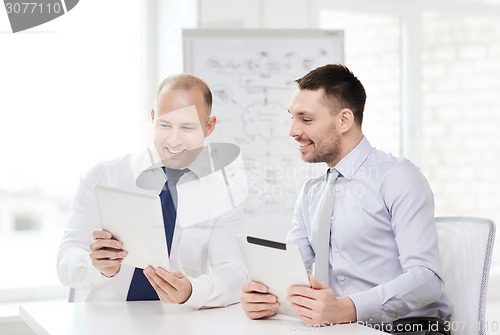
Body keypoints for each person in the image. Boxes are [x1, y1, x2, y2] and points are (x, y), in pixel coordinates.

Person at [240, 64, 453, 333]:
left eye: (306, 119)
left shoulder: (398, 177)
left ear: (344, 120)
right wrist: (264, 295)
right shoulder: (312, 191)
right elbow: (290, 269)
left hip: (409, 327)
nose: (292, 131)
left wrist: (348, 308)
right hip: (343, 327)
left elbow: (428, 279)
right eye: (292, 118)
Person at [58, 73, 248, 308]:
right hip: (101, 323)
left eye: (187, 127)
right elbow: (65, 260)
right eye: (164, 125)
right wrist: (94, 266)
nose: (174, 140)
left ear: (209, 126)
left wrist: (193, 291)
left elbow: (234, 272)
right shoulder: (103, 176)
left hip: (175, 324)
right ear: (152, 118)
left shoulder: (222, 194)